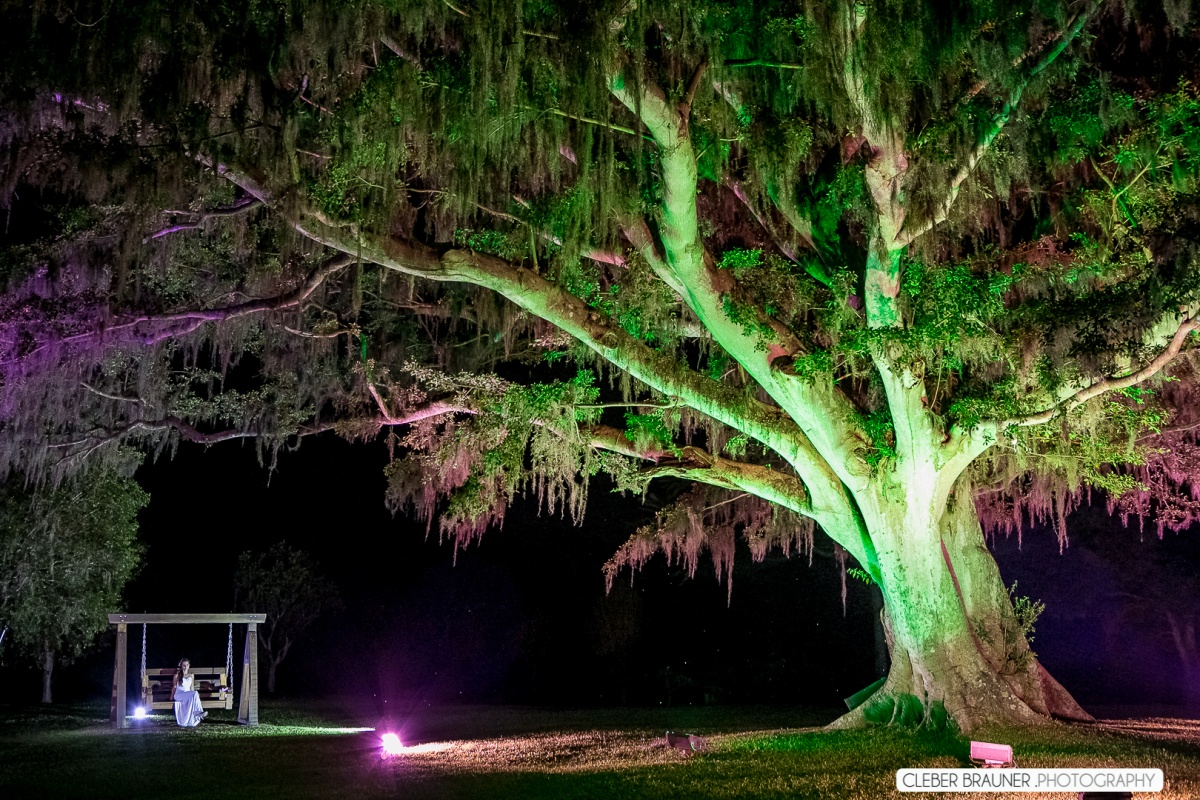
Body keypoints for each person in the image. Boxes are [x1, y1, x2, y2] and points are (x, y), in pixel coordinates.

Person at [171, 658, 208, 727]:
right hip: (179, 694)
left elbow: (192, 688)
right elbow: (174, 687)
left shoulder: (191, 675)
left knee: (195, 693)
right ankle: (198, 712)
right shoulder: (177, 675)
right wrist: (171, 696)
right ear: (181, 666)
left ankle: (198, 712)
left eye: (187, 664)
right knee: (195, 693)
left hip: (188, 695)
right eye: (184, 665)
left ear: (189, 666)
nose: (185, 666)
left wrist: (194, 696)